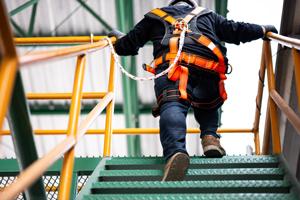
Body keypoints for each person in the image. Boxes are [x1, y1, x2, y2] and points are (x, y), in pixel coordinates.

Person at [108, 0, 278, 181]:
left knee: (173, 105)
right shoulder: (208, 15)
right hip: (209, 70)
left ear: (171, 6)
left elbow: (128, 44)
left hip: (173, 69)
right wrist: (262, 29)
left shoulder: (154, 16)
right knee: (208, 104)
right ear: (191, 5)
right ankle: (210, 138)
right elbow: (235, 30)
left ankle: (175, 153)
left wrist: (117, 38)